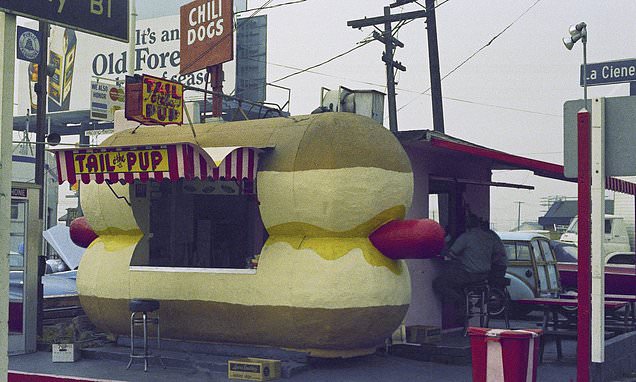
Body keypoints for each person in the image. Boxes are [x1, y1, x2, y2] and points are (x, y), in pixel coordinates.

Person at [432, 214, 498, 317]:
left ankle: (463, 303)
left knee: (439, 283)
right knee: (457, 282)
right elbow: (495, 255)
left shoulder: (466, 237)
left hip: (469, 274)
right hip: (485, 275)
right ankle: (465, 305)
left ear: (466, 225)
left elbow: (451, 254)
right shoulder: (489, 237)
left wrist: (445, 243)